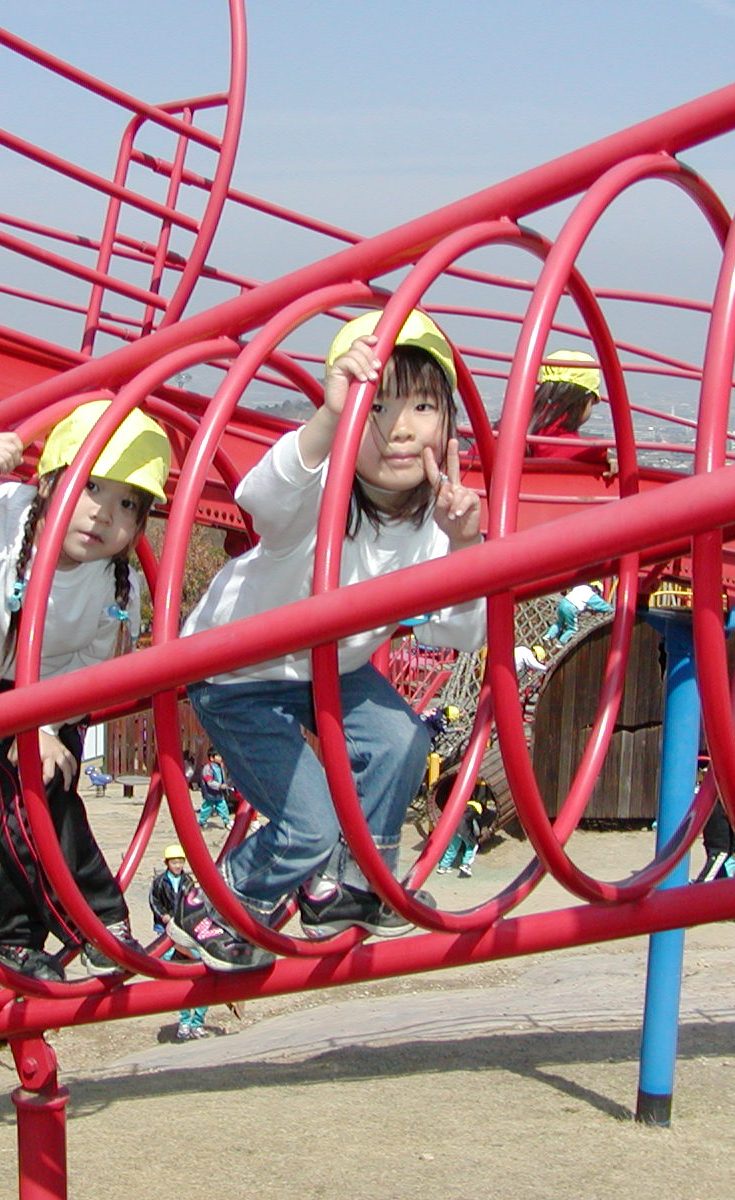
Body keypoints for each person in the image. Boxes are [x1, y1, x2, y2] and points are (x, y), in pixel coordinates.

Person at [174, 308, 486, 970]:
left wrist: (465, 546)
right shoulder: (321, 490)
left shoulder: (440, 524)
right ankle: (216, 902)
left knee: (401, 738)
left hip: (330, 669)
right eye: (377, 408)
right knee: (308, 825)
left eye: (423, 407)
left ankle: (348, 881)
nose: (400, 429)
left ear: (450, 425)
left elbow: (462, 632)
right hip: (238, 671)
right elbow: (259, 499)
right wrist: (325, 420)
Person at [0, 399, 171, 982]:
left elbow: (92, 663)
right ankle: (94, 918)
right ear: (47, 482)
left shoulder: (117, 579)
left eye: (127, 503)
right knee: (32, 790)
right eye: (90, 486)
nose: (103, 514)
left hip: (56, 689)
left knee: (50, 788)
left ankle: (14, 937)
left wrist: (45, 725)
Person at [148, 844, 210, 1041]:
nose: (177, 865)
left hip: (185, 930)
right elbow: (154, 901)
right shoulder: (160, 882)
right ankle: (184, 1020)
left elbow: (194, 902)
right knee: (174, 974)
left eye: (180, 862)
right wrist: (164, 916)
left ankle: (197, 1022)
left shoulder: (187, 881)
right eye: (174, 862)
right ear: (167, 863)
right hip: (166, 931)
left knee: (201, 973)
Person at [527, 348, 607, 467]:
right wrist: (603, 452)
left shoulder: (524, 421)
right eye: (593, 399)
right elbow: (558, 449)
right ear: (580, 400)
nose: (595, 403)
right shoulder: (554, 433)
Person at [543, 580, 613, 644]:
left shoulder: (580, 586)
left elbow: (579, 601)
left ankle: (548, 636)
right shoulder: (591, 594)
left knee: (559, 623)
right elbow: (602, 605)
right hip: (570, 608)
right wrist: (611, 610)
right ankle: (561, 643)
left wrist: (588, 610)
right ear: (596, 589)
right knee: (572, 629)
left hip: (563, 603)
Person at [198, 749, 233, 829]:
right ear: (211, 758)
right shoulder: (208, 768)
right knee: (207, 808)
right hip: (210, 792)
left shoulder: (221, 766)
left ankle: (226, 821)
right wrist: (219, 786)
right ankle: (202, 822)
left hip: (219, 793)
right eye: (218, 755)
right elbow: (209, 781)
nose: (221, 757)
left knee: (223, 807)